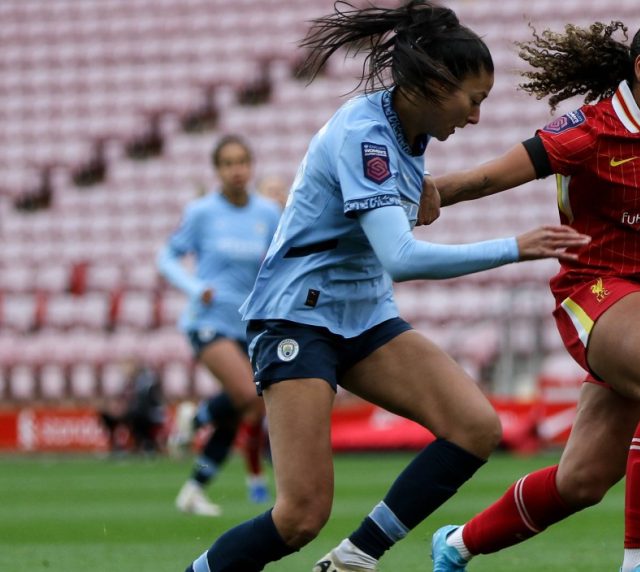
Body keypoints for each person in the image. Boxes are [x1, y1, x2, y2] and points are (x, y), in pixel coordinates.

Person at [183, 2, 589, 571]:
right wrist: (515, 247)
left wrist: (427, 195)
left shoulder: (409, 131)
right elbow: (398, 257)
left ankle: (354, 558)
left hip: (363, 314)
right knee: (299, 517)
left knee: (474, 427)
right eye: (473, 100)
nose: (475, 118)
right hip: (297, 317)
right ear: (433, 84)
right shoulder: (366, 135)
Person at [424, 17, 640, 572]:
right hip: (600, 289)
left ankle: (457, 544)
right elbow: (496, 175)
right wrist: (436, 191)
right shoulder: (590, 130)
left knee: (581, 481)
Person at [159, 134, 282, 516]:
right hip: (207, 321)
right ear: (217, 170)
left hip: (246, 325)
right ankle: (193, 418)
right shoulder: (202, 212)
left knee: (241, 409)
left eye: (242, 161)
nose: (236, 170)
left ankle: (194, 489)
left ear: (251, 166)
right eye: (228, 163)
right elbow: (167, 256)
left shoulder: (267, 213)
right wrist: (196, 287)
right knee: (249, 394)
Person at [97, 359, 165, 455]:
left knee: (136, 416)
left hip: (144, 413)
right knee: (107, 415)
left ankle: (144, 443)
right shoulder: (125, 383)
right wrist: (116, 408)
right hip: (130, 412)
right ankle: (115, 444)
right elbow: (119, 399)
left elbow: (148, 402)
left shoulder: (146, 383)